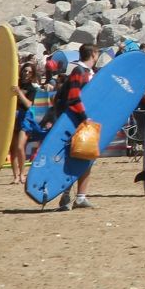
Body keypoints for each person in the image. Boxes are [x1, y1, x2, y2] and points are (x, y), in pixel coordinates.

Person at [56, 44, 98, 211]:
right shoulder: (79, 72)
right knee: (73, 157)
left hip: (83, 121)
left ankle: (80, 197)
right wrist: (84, 118)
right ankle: (65, 194)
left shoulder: (88, 73)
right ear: (93, 54)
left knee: (87, 156)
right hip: (76, 121)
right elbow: (73, 98)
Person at [9, 60, 40, 185]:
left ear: (32, 74)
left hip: (24, 119)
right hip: (12, 118)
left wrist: (19, 92)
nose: (26, 73)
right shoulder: (14, 83)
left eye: (29, 72)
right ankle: (15, 175)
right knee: (12, 149)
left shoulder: (32, 89)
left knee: (20, 147)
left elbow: (28, 104)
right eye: (25, 71)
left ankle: (22, 174)